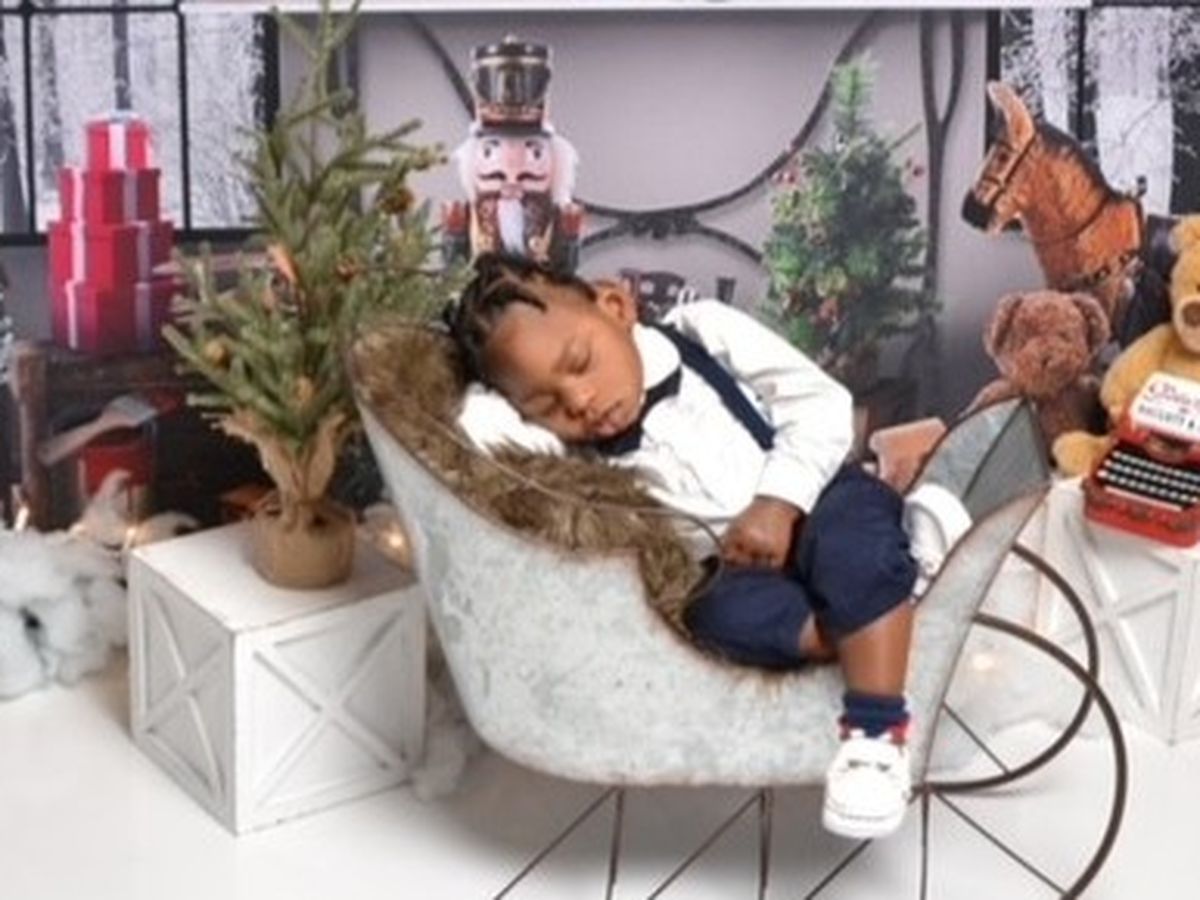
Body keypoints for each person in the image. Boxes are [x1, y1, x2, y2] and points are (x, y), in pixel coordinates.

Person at [447, 252, 966, 840]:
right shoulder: (568, 444)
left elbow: (821, 403)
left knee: (851, 549)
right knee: (713, 617)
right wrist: (493, 392)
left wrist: (778, 502)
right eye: (546, 405)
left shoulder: (704, 333)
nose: (580, 400)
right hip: (734, 568)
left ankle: (874, 740)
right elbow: (482, 435)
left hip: (819, 500)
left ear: (615, 306)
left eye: (581, 363)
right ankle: (901, 596)